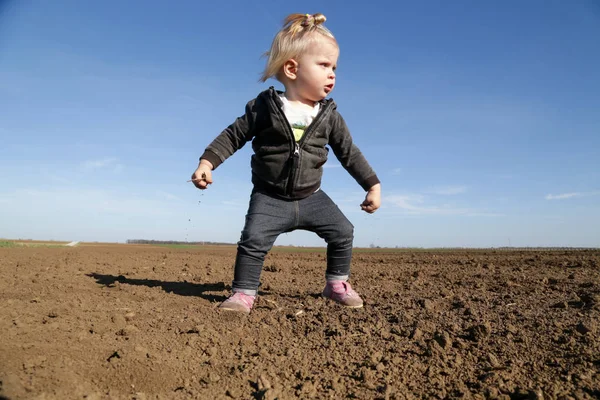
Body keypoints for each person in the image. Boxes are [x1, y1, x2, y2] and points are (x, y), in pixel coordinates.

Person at [190, 13, 381, 314]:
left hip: (312, 197)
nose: (332, 74)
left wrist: (372, 184)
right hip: (269, 197)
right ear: (292, 68)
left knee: (343, 231)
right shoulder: (265, 108)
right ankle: (243, 294)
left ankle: (336, 284)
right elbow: (233, 135)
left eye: (334, 67)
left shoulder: (329, 116)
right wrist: (207, 162)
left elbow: (349, 152)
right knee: (253, 240)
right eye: (323, 65)